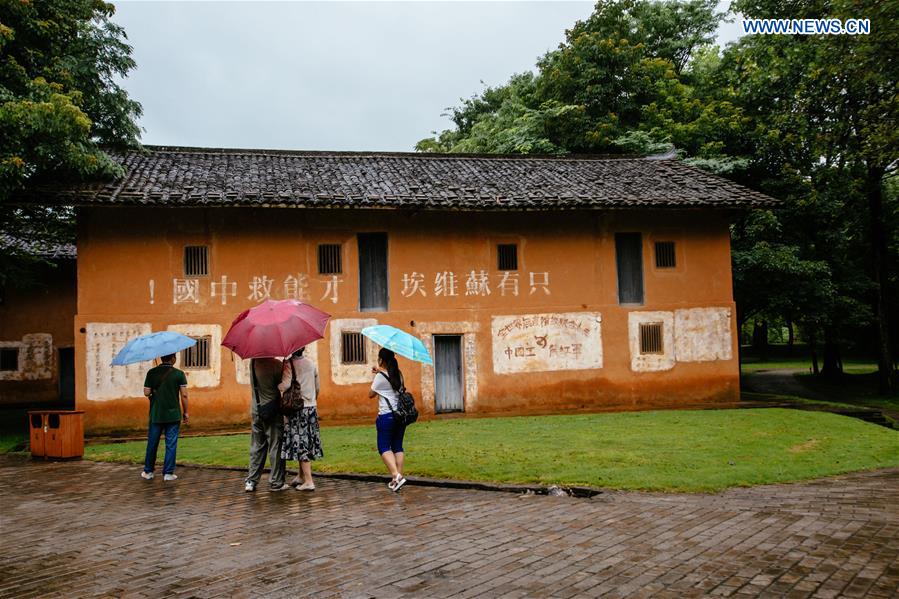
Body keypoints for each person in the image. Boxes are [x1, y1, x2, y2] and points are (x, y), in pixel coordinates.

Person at [278, 347, 323, 491]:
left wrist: (276, 385)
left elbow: (285, 385)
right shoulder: (311, 363)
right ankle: (301, 475)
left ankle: (309, 481)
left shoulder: (289, 364)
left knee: (301, 443)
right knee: (306, 441)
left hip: (297, 409)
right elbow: (317, 387)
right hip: (311, 407)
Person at [141, 353, 189, 482]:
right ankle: (168, 473)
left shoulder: (151, 373)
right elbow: (184, 395)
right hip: (173, 415)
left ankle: (148, 471)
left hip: (156, 414)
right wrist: (186, 412)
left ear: (162, 358)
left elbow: (146, 392)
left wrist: (154, 390)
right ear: (173, 359)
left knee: (152, 443)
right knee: (171, 444)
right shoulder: (179, 374)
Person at [245, 357, 289, 492]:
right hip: (272, 410)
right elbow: (282, 385)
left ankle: (251, 481)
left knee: (257, 446)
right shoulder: (276, 365)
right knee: (275, 445)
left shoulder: (252, 363)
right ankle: (276, 481)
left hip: (256, 410)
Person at [369, 348, 407, 492]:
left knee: (384, 447)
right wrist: (379, 372)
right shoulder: (399, 374)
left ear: (381, 360)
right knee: (397, 446)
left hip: (386, 416)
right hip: (400, 416)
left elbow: (370, 394)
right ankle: (397, 478)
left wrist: (377, 375)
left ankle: (396, 476)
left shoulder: (380, 377)